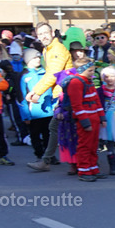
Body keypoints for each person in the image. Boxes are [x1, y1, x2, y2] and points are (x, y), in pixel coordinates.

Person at [26, 22, 73, 171]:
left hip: (68, 94)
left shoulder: (57, 49)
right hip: (63, 94)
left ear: (52, 33)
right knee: (60, 127)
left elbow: (53, 74)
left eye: (45, 33)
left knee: (56, 127)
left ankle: (47, 161)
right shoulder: (49, 49)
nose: (43, 36)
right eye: (40, 34)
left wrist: (36, 91)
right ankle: (53, 161)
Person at [64, 59, 105, 181]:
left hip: (94, 117)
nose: (93, 73)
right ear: (82, 70)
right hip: (86, 119)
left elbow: (96, 100)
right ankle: (84, 171)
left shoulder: (89, 81)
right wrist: (85, 122)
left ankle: (93, 168)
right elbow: (77, 105)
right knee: (85, 146)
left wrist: (102, 117)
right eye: (90, 70)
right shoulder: (76, 83)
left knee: (93, 146)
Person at [18, 48, 53, 162]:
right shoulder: (25, 76)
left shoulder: (46, 73)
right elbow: (22, 97)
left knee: (48, 134)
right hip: (33, 113)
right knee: (35, 135)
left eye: (39, 57)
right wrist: (25, 115)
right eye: (34, 58)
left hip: (48, 111)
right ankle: (39, 154)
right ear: (28, 60)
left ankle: (49, 155)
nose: (38, 59)